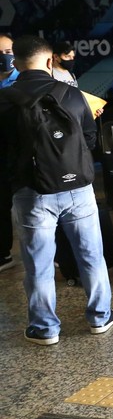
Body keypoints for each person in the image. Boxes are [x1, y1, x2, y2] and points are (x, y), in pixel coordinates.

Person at [0, 35, 113, 345]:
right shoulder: (73, 94)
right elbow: (90, 139)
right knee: (91, 254)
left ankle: (45, 328)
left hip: (31, 192)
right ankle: (100, 318)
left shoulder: (5, 100)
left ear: (15, 63)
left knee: (38, 261)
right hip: (79, 188)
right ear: (50, 61)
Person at [0, 33, 17, 272]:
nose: (5, 57)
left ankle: (58, 254)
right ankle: (3, 253)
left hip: (22, 153)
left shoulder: (26, 81)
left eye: (8, 52)